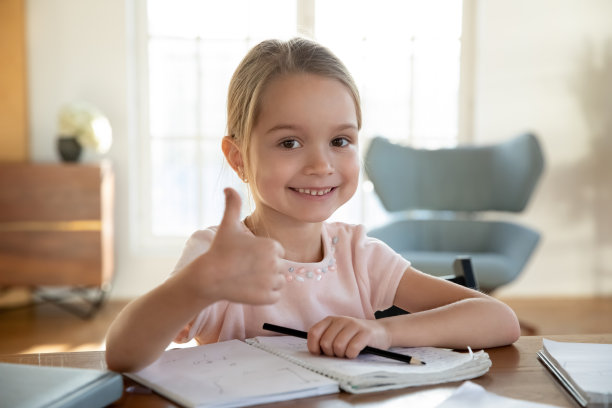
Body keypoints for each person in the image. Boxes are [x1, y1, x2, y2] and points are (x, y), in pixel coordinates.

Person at [105, 38, 520, 373]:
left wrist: (383, 333)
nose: (321, 165)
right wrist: (196, 285)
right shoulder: (218, 257)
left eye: (340, 141)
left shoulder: (360, 256)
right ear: (238, 158)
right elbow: (122, 354)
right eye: (290, 142)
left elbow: (500, 320)